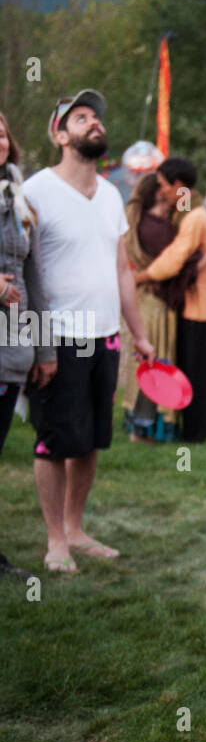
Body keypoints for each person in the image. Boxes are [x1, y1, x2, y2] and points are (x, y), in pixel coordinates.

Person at [23, 90, 154, 572]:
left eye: (96, 116)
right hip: (58, 336)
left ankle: (76, 529)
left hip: (106, 337)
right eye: (81, 118)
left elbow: (122, 270)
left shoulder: (111, 194)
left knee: (92, 439)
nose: (93, 122)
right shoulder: (36, 191)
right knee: (55, 440)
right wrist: (36, 344)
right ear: (60, 134)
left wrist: (138, 333)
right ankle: (55, 540)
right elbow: (23, 269)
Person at [0, 111, 57, 574]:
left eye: (2, 132)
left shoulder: (17, 201)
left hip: (12, 350)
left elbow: (33, 279)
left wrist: (43, 349)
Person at [122, 171, 206, 443]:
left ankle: (142, 425)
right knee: (157, 360)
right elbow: (174, 263)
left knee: (148, 360)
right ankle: (148, 427)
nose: (168, 195)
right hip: (155, 304)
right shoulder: (158, 229)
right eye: (163, 189)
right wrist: (204, 258)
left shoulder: (144, 222)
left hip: (148, 300)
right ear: (158, 194)